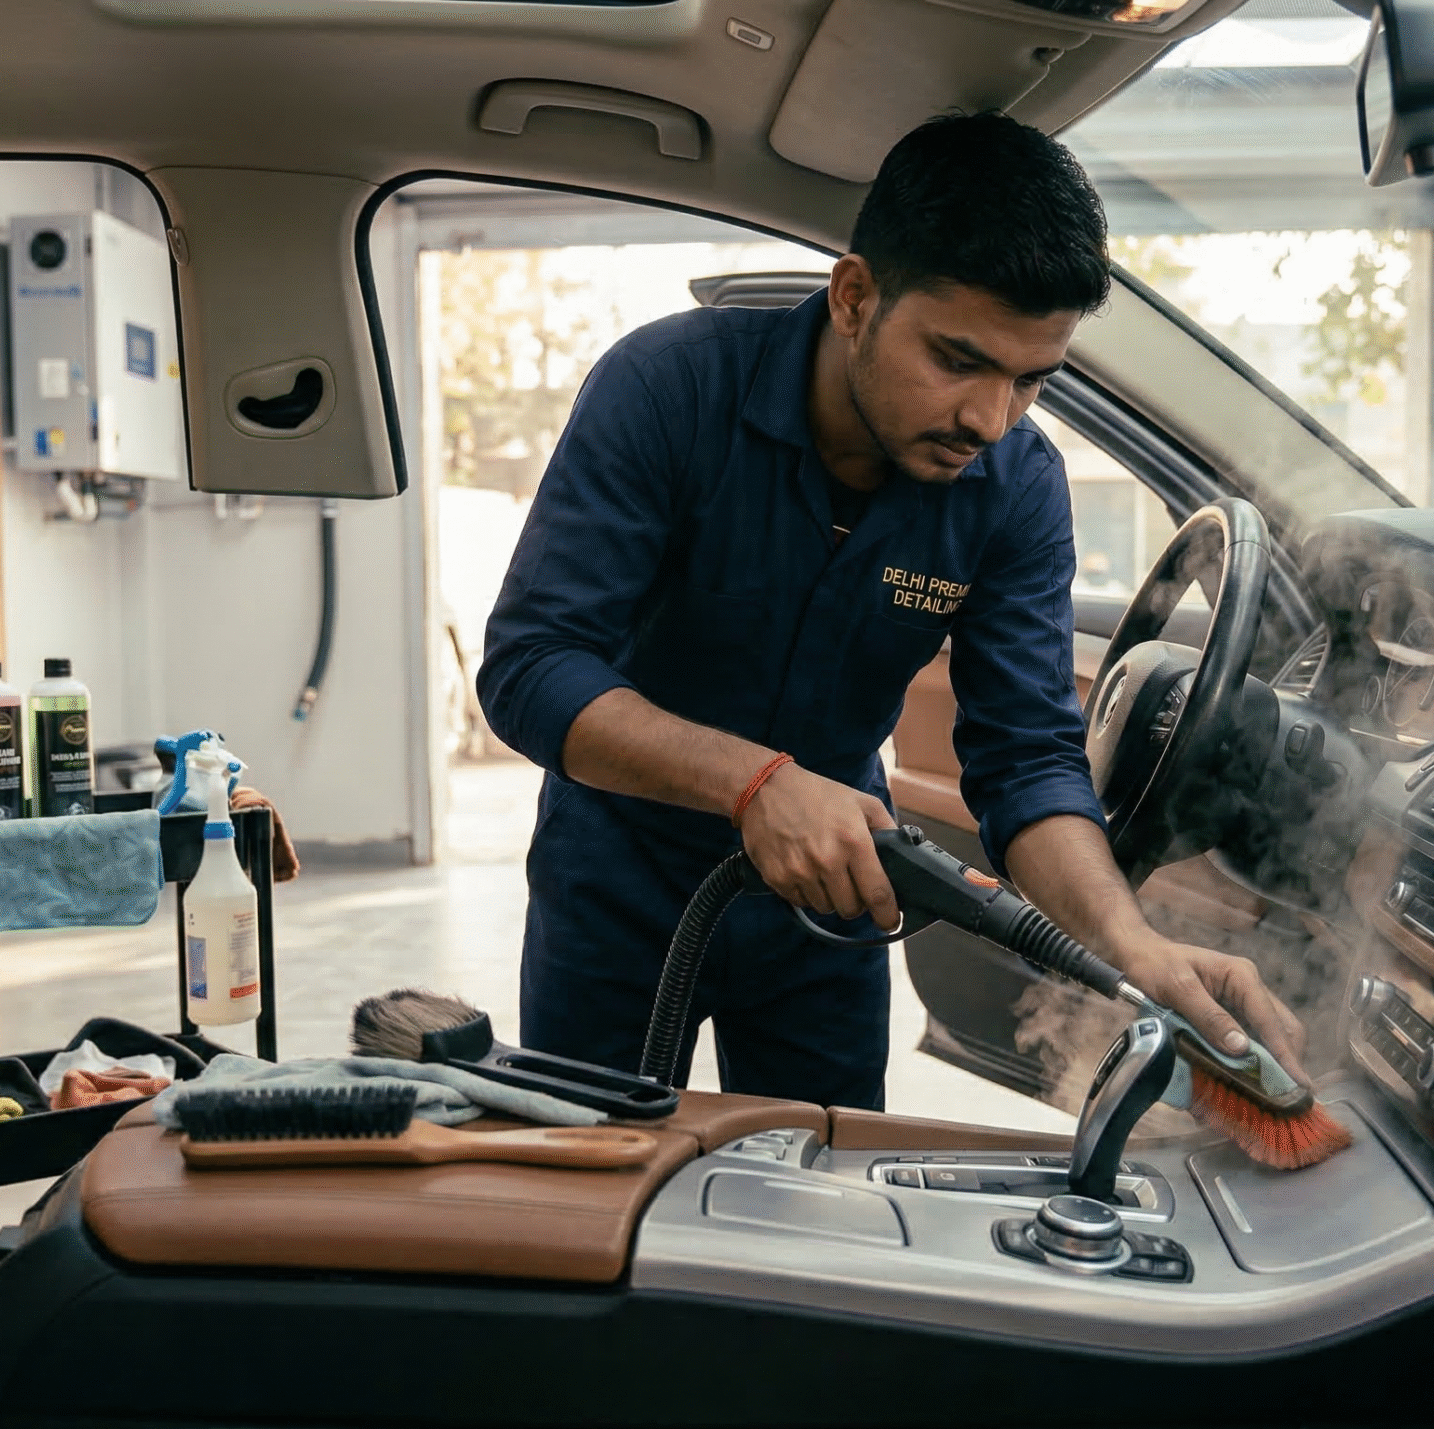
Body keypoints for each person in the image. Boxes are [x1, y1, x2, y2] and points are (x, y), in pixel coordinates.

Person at [478, 112, 1306, 1110]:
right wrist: (755, 784)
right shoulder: (665, 390)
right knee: (588, 1163)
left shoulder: (1016, 487)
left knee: (822, 1181)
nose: (989, 419)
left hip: (835, 897)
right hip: (616, 880)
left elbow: (1025, 755)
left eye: (1030, 380)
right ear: (855, 297)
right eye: (957, 360)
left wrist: (1131, 943)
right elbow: (531, 667)